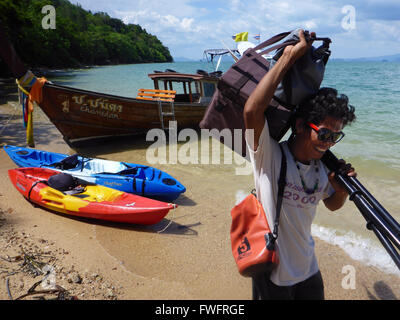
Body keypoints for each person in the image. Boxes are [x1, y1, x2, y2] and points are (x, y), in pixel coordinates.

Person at [243, 29, 357, 300]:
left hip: (308, 270)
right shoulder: (269, 156)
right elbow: (251, 112)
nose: (328, 143)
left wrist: (339, 189)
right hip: (271, 271)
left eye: (335, 136)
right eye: (325, 133)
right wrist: (289, 58)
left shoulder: (322, 167)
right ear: (301, 126)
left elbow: (331, 204)